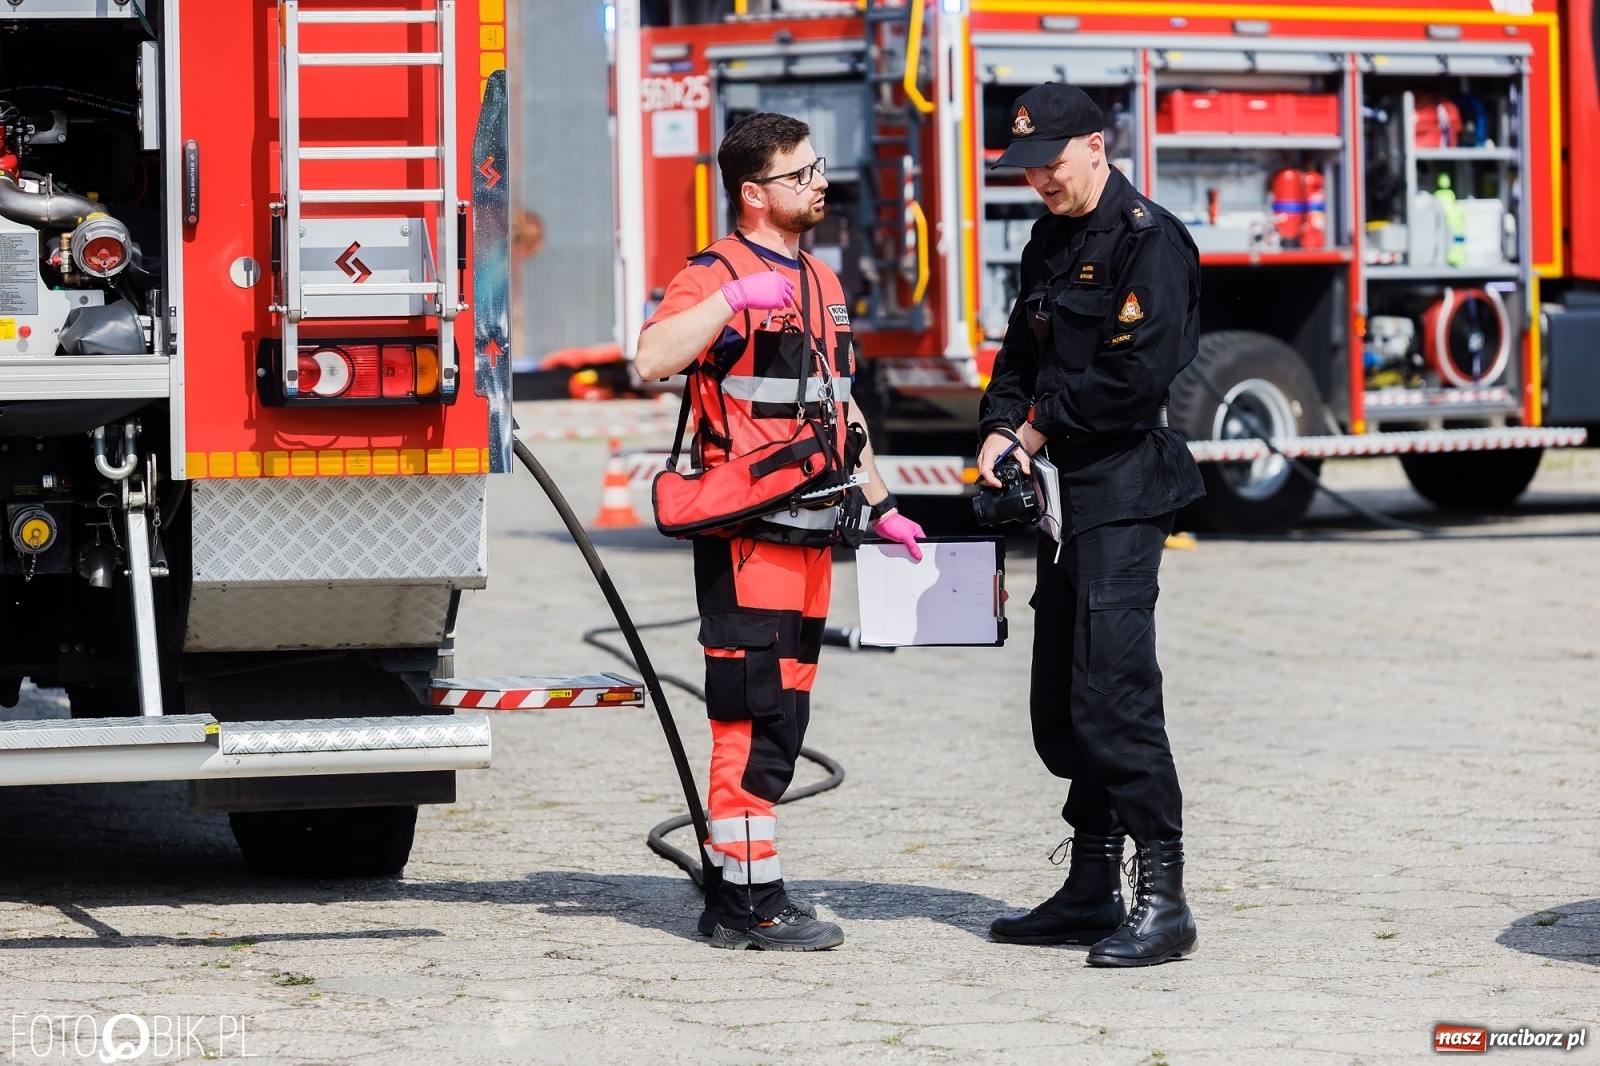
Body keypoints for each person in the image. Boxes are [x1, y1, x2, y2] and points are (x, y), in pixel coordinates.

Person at [635, 112, 925, 951]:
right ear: (754, 193)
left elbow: (842, 410)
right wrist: (729, 300)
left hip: (812, 536)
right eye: (801, 174)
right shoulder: (715, 272)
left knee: (785, 720)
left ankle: (758, 885)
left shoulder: (824, 283)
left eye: (818, 168)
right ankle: (739, 906)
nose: (820, 183)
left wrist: (883, 504)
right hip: (749, 537)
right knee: (747, 714)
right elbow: (651, 357)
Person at [978, 83, 1206, 967]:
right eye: (1025, 166)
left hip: (1120, 488)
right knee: (1063, 705)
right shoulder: (1050, 239)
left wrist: (1036, 426)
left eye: (1050, 161)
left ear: (1097, 147)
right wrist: (1001, 427)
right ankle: (1089, 886)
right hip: (1062, 499)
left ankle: (1166, 898)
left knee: (1114, 694)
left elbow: (1132, 381)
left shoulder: (1151, 241)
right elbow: (1017, 356)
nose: (1036, 177)